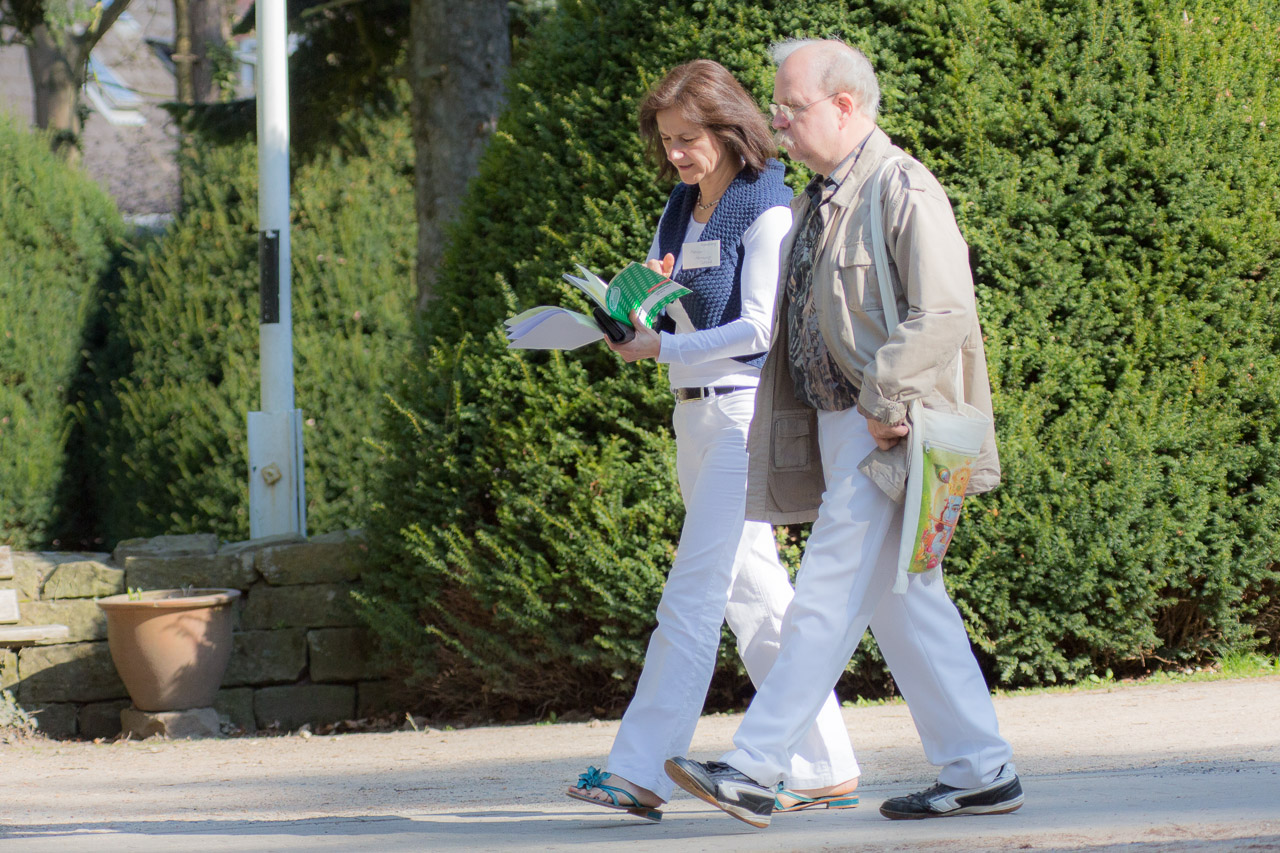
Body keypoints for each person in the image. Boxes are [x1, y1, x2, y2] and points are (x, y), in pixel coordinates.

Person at [664, 39, 1023, 828]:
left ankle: (755, 767)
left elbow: (946, 310)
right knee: (906, 602)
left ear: (845, 105)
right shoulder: (819, 196)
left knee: (827, 589)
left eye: (791, 108)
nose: (779, 124)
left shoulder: (900, 184)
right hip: (851, 426)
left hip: (894, 427)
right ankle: (981, 769)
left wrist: (885, 396)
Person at [564, 59, 860, 823]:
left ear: (728, 130)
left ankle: (638, 771)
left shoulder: (767, 205)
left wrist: (662, 346)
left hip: (740, 418)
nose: (675, 154)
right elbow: (668, 306)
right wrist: (632, 311)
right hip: (690, 417)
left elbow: (758, 329)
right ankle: (825, 764)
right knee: (751, 592)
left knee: (692, 593)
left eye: (687, 139)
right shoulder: (680, 207)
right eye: (666, 140)